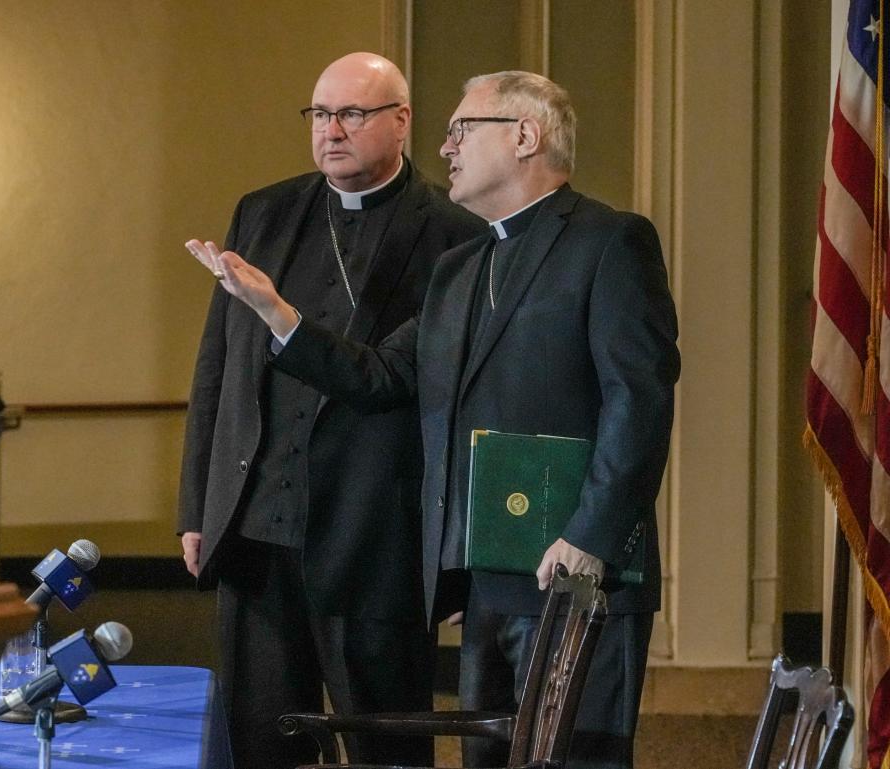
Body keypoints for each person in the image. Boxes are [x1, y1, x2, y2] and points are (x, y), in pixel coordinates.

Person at [190, 71, 680, 769]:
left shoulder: (610, 242)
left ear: (524, 135)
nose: (445, 146)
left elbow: (640, 400)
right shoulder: (461, 267)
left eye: (462, 129)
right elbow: (380, 376)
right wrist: (279, 315)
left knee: (576, 760)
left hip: (579, 577)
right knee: (486, 757)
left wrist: (588, 537)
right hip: (484, 580)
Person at [177, 52, 483, 769]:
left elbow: (455, 406)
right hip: (257, 531)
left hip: (376, 534)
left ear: (401, 122)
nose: (331, 130)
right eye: (319, 114)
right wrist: (199, 502)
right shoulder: (264, 210)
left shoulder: (453, 232)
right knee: (259, 739)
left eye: (351, 113)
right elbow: (218, 368)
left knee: (384, 742)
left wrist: (459, 555)